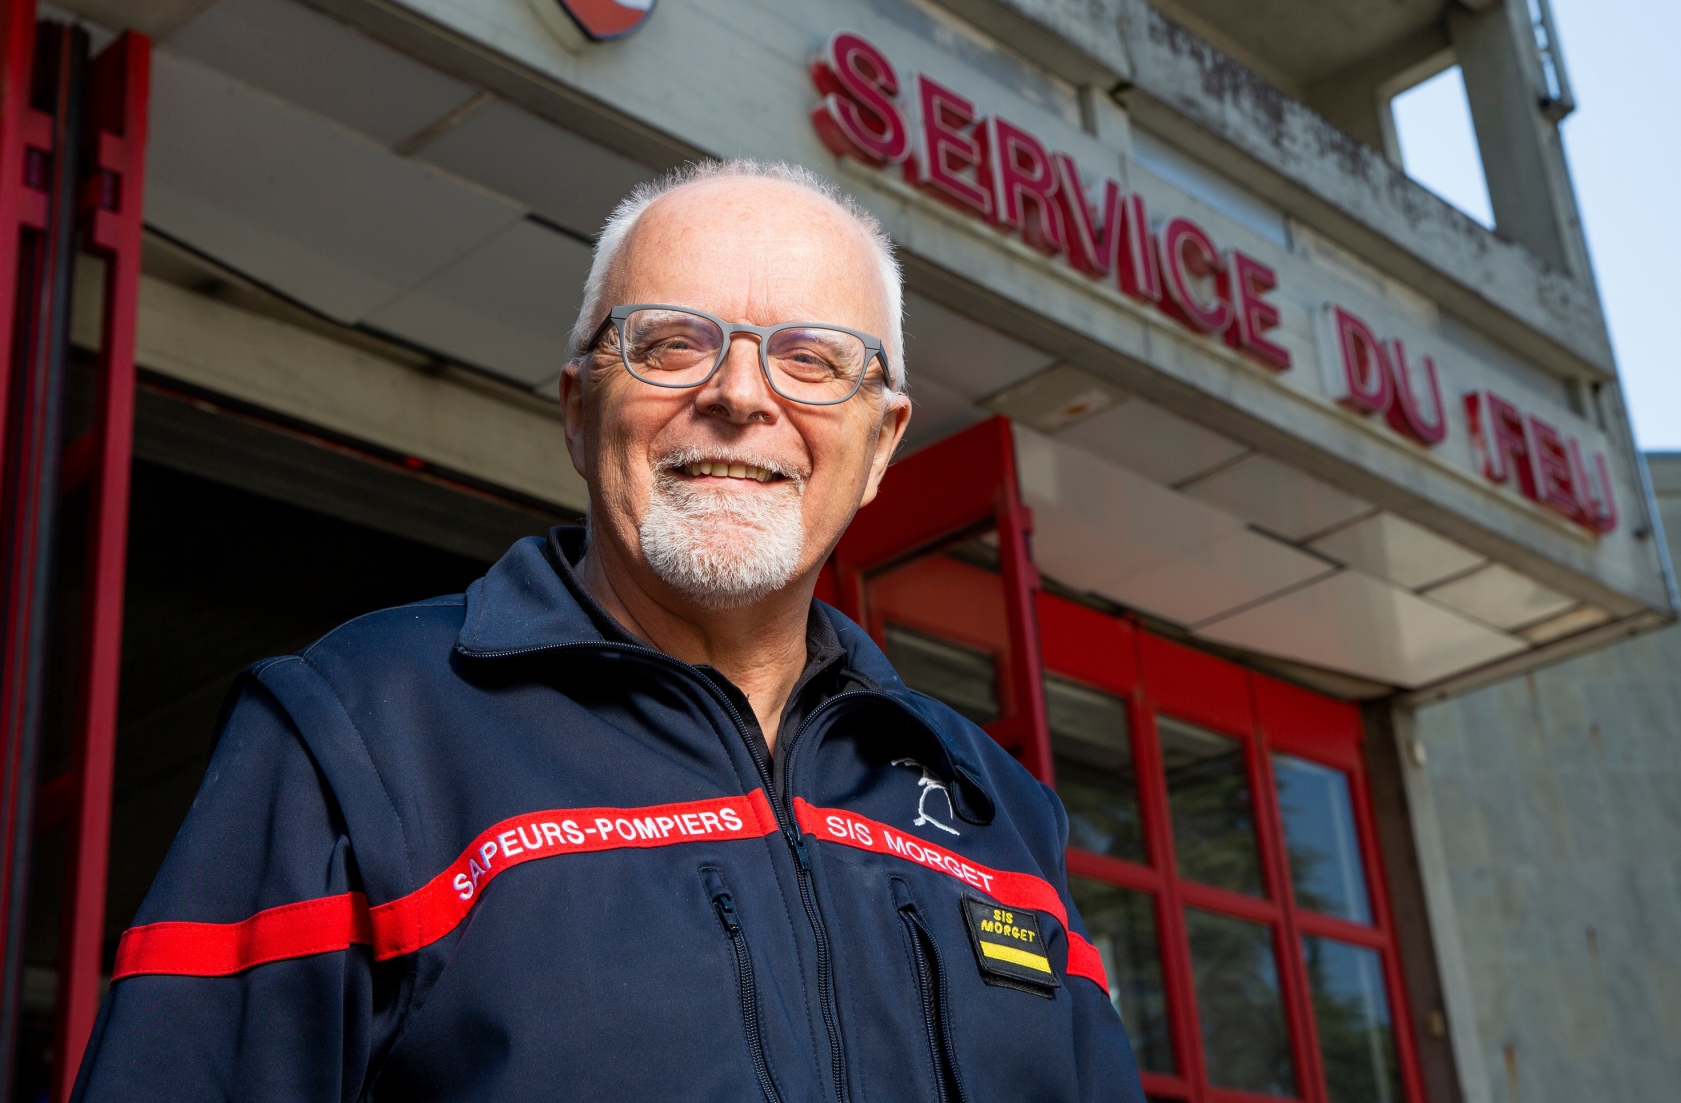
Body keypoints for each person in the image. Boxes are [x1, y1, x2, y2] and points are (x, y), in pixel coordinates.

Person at [73, 160, 1144, 1102]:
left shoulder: (996, 809)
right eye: (671, 343)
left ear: (878, 446)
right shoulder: (357, 726)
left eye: (810, 360)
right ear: (579, 411)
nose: (737, 395)